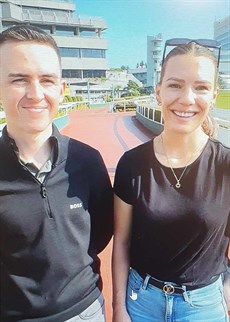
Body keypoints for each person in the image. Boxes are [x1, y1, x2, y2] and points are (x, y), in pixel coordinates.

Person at [0, 24, 113, 322]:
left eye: (47, 80)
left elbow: (100, 232)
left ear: (61, 89)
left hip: (86, 311)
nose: (35, 93)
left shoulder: (87, 160)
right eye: (19, 80)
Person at [112, 39, 230, 322]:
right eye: (175, 85)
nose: (187, 99)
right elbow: (122, 243)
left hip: (204, 306)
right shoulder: (132, 164)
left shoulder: (225, 165)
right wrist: (118, 308)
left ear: (213, 94)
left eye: (200, 87)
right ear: (158, 92)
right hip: (141, 302)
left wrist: (225, 289)